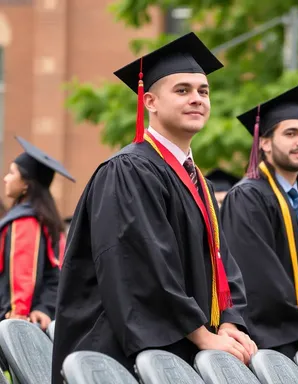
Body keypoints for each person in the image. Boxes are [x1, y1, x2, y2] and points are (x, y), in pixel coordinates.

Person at [51, 32, 253, 382]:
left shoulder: (198, 181)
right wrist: (202, 334)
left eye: (203, 92)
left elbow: (222, 260)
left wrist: (230, 321)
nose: (197, 99)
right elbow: (141, 265)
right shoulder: (128, 170)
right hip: (116, 356)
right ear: (150, 102)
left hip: (182, 346)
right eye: (182, 90)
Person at [222, 85, 298, 359]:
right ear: (264, 143)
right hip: (270, 340)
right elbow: (259, 274)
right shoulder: (248, 197)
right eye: (290, 134)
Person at [0, 137, 73, 330]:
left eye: (12, 173)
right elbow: (57, 273)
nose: (6, 178)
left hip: (14, 317)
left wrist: (18, 313)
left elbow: (22, 272)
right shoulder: (47, 220)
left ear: (26, 184)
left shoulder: (25, 220)